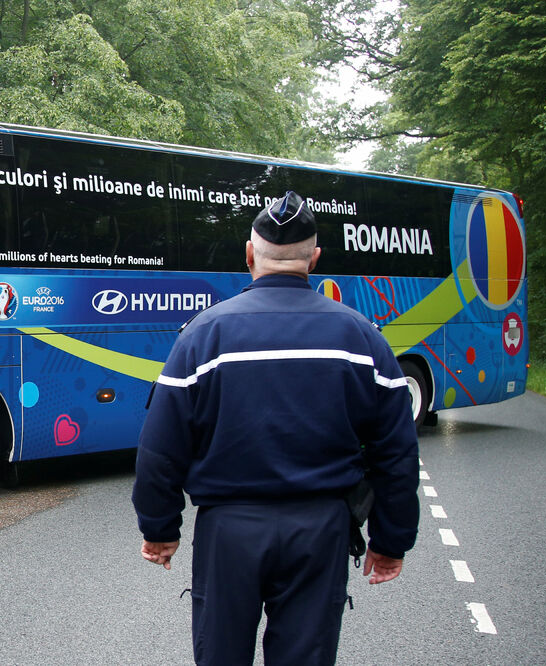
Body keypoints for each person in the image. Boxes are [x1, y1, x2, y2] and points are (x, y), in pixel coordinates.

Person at [132, 191, 420, 665]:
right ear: (315, 259)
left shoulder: (204, 335)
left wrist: (160, 528)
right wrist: (391, 540)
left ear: (249, 255)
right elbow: (396, 452)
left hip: (228, 532)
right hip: (321, 532)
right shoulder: (362, 336)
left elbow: (161, 447)